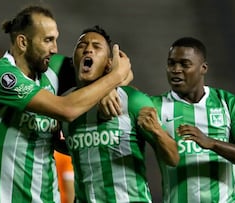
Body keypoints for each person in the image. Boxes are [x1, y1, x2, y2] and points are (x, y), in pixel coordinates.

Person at [0, 5, 131, 203]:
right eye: (48, 40)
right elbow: (67, 109)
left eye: (55, 39)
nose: (55, 49)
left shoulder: (52, 70)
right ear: (23, 42)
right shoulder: (1, 76)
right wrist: (113, 79)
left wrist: (109, 87)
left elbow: (122, 69)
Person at [61, 25, 179, 203]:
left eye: (96, 46)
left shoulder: (132, 100)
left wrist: (157, 131)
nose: (88, 49)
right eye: (81, 45)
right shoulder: (66, 105)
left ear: (109, 63)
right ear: (73, 60)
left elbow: (173, 158)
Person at [141, 37, 235, 202]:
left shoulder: (229, 103)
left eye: (184, 64)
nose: (176, 70)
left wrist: (211, 143)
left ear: (203, 68)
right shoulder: (155, 107)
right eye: (171, 63)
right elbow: (129, 97)